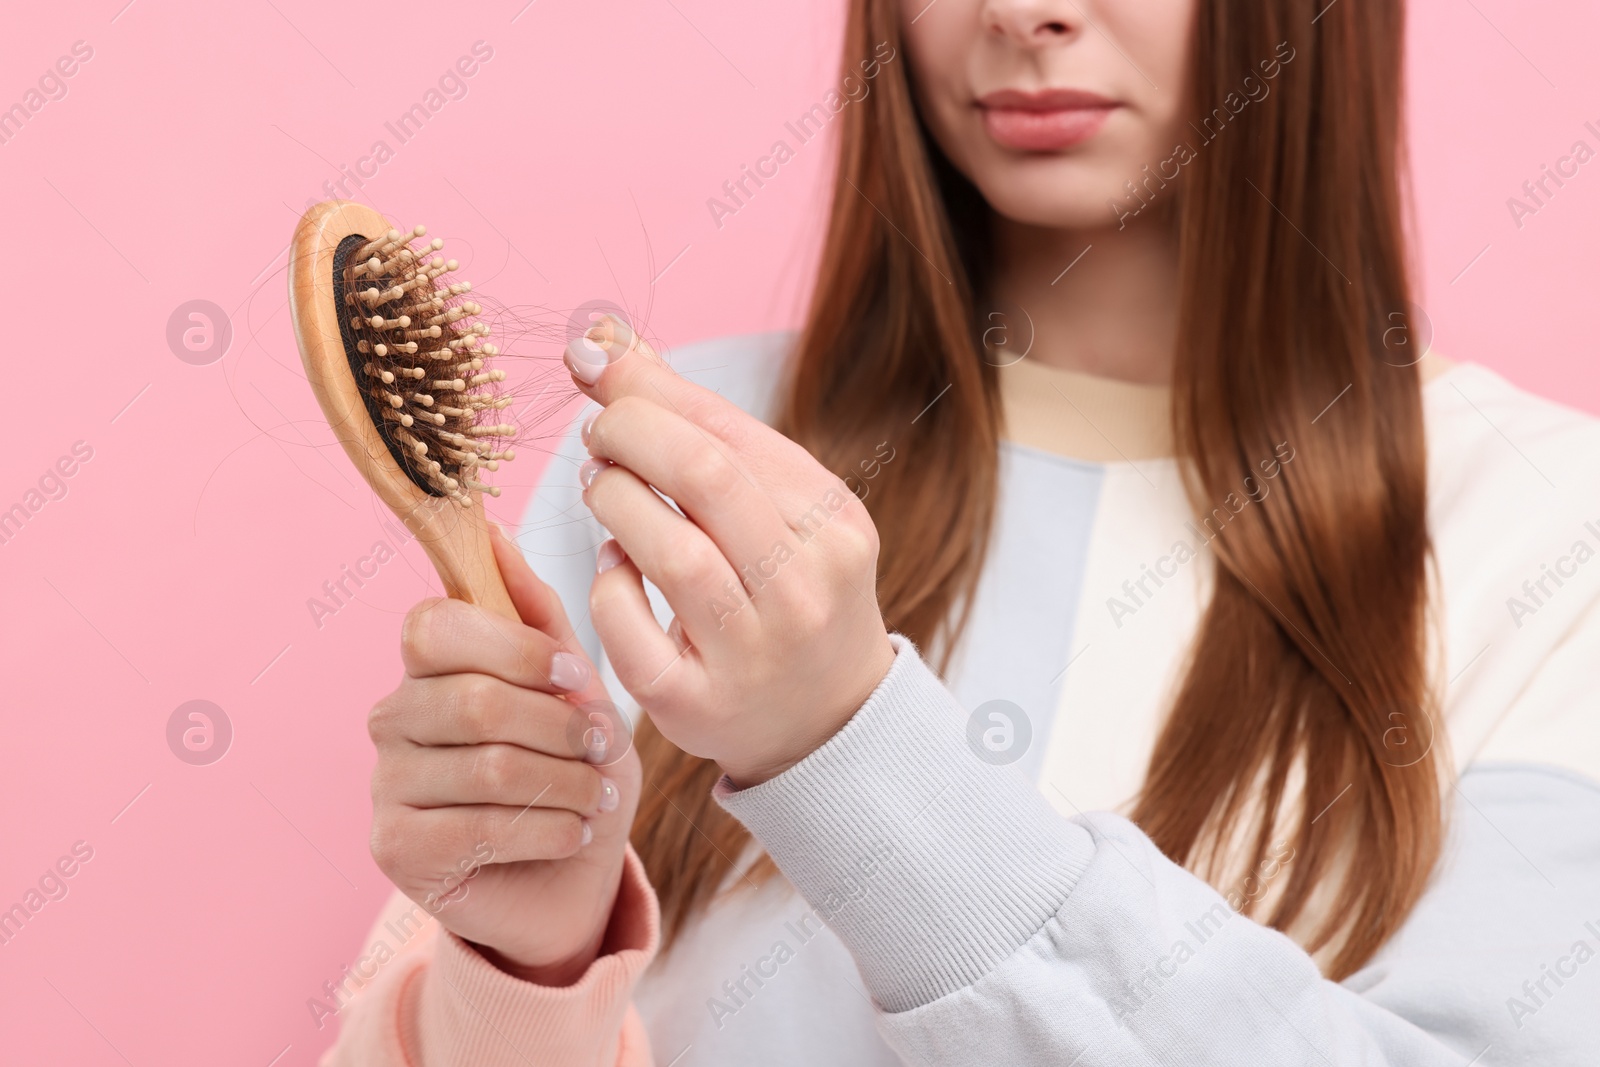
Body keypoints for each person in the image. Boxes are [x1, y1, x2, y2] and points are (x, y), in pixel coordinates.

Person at [323, 0, 1600, 1063]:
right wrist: (529, 965)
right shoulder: (674, 466)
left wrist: (848, 750)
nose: (1020, 13)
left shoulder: (1552, 528)